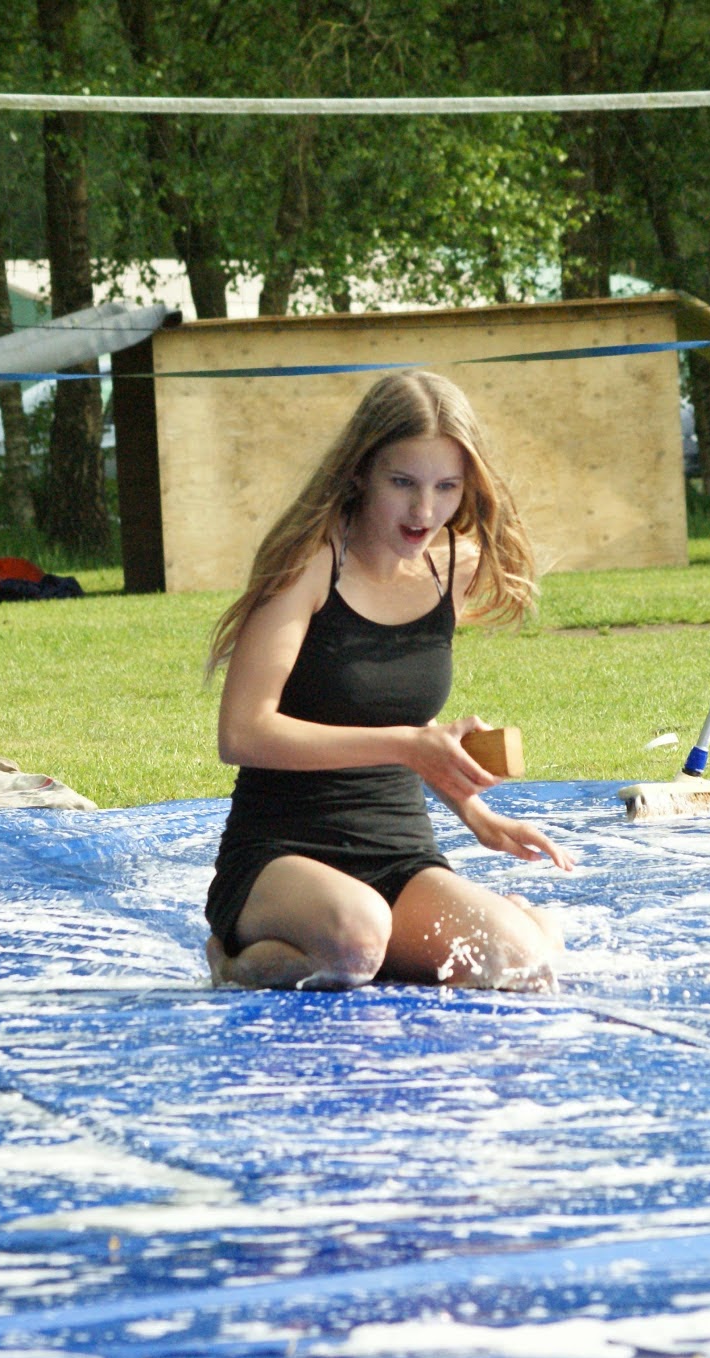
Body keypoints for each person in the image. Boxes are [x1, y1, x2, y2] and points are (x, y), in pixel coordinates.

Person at [203, 371, 570, 992]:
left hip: (397, 846)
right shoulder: (310, 563)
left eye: (446, 487)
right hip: (283, 851)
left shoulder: (454, 567)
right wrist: (407, 745)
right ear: (359, 472)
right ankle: (232, 959)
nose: (424, 510)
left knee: (519, 963)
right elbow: (242, 732)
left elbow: (391, 708)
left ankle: (512, 928)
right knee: (355, 943)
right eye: (402, 483)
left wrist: (475, 812)